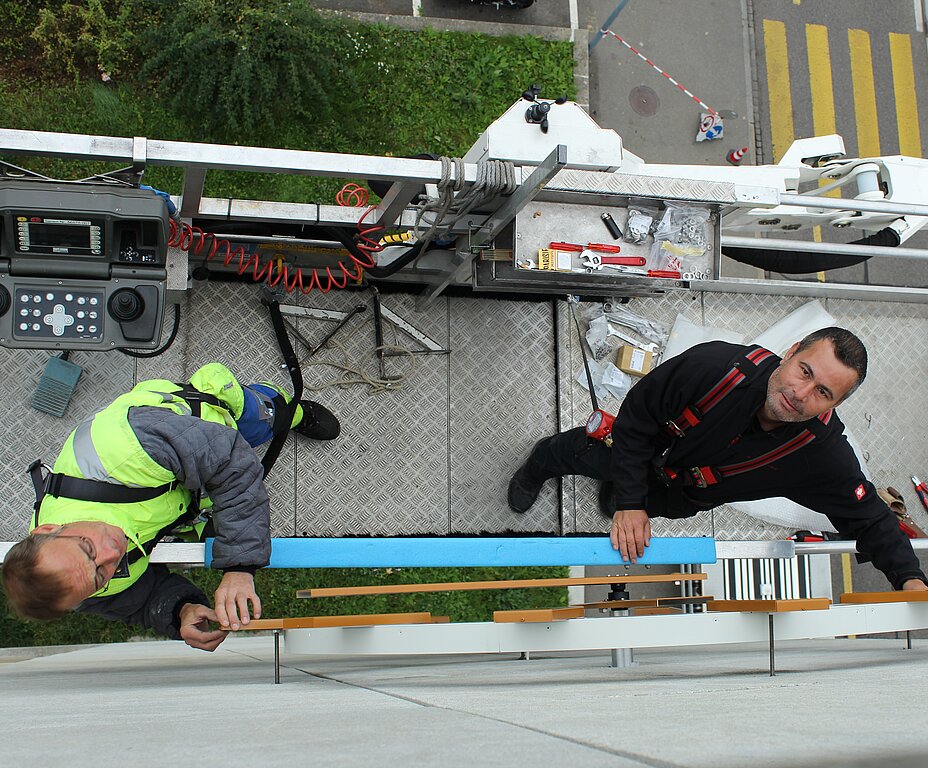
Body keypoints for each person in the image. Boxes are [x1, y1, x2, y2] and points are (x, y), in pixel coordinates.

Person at [508, 327, 928, 592]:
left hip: (679, 495)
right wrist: (631, 504)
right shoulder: (715, 366)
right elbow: (637, 417)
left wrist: (910, 580)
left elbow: (870, 517)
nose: (801, 394)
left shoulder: (821, 456)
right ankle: (537, 467)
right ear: (791, 350)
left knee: (627, 499)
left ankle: (618, 495)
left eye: (823, 392)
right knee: (572, 454)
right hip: (634, 446)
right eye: (805, 371)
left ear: (833, 406)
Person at [0, 363, 341, 650]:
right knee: (228, 517)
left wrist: (239, 568)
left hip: (201, 421)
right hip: (176, 494)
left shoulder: (121, 448)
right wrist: (181, 611)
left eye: (87, 547)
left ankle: (291, 411)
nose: (112, 555)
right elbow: (141, 601)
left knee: (258, 419)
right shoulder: (75, 585)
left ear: (47, 530)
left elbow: (231, 460)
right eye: (101, 574)